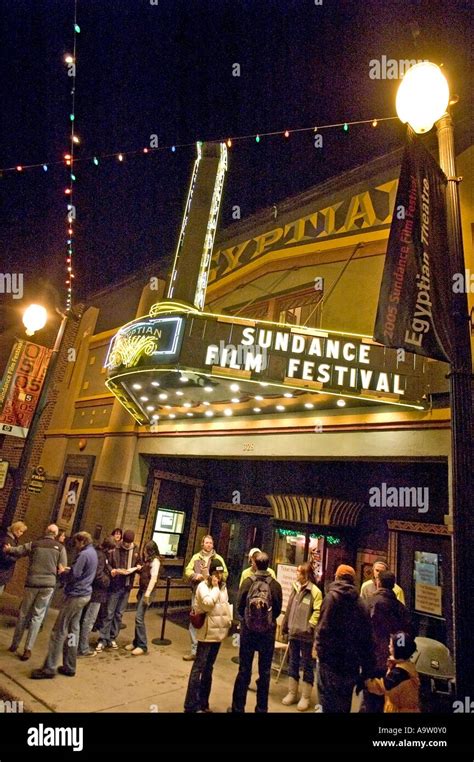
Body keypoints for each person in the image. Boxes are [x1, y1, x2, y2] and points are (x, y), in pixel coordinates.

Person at [31, 531, 98, 679]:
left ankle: (49, 668)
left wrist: (63, 572)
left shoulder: (84, 555)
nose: (75, 546)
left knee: (59, 631)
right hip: (85, 595)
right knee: (73, 630)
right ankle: (70, 665)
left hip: (75, 595)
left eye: (76, 543)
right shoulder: (93, 553)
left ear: (82, 541)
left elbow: (75, 574)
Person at [315, 564, 375, 713]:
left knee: (326, 702)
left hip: (330, 662)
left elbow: (323, 629)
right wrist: (365, 667)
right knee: (343, 703)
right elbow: (367, 638)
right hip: (350, 664)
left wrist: (320, 652)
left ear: (337, 577)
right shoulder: (361, 603)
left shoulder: (331, 598)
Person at [228, 551, 283, 713]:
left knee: (244, 669)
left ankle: (238, 708)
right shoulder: (275, 585)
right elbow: (278, 610)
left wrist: (248, 620)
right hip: (267, 635)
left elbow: (239, 607)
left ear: (254, 564)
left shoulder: (247, 582)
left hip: (248, 633)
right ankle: (261, 708)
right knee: (265, 673)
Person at [6, 524, 67, 661]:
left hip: (32, 583)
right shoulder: (60, 548)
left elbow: (19, 550)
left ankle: (14, 644)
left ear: (46, 531)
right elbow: (62, 568)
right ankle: (28, 649)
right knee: (37, 616)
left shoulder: (35, 544)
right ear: (56, 534)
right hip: (48, 585)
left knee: (23, 614)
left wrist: (9, 549)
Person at [360, 570, 413, 713]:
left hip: (371, 658)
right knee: (386, 697)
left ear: (378, 582)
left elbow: (360, 630)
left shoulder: (368, 603)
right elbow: (408, 634)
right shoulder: (400, 608)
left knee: (369, 697)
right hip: (392, 661)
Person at [183, 557, 232, 713]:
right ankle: (191, 705)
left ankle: (204, 703)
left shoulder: (223, 588)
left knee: (209, 668)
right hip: (206, 632)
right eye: (216, 573)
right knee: (199, 666)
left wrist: (228, 622)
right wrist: (216, 588)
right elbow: (208, 603)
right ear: (210, 574)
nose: (219, 576)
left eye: (221, 573)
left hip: (218, 634)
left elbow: (224, 607)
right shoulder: (203, 587)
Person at [281, 561, 322, 711]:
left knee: (307, 664)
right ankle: (292, 692)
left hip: (306, 635)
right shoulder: (295, 587)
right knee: (293, 662)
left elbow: (318, 611)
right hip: (293, 632)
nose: (296, 574)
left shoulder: (315, 591)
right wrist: (285, 626)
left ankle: (305, 696)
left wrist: (310, 626)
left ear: (306, 574)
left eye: (299, 572)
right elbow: (289, 607)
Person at [183, 535, 228, 661]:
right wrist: (194, 575)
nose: (208, 545)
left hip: (212, 592)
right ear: (202, 544)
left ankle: (208, 650)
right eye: (206, 542)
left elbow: (225, 574)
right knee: (196, 619)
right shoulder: (196, 558)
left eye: (210, 543)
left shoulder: (218, 559)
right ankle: (194, 649)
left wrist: (215, 578)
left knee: (212, 620)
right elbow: (187, 570)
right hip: (198, 591)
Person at [95, 529, 141, 651]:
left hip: (127, 586)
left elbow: (138, 563)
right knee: (109, 612)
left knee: (119, 614)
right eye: (125, 542)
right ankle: (102, 639)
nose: (126, 545)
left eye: (128, 543)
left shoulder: (135, 549)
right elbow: (108, 563)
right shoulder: (116, 547)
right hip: (115, 585)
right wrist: (112, 570)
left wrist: (138, 567)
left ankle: (112, 637)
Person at [365, 631, 420, 712]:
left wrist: (366, 683)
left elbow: (382, 686)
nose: (388, 646)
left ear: (397, 650)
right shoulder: (402, 665)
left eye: (391, 645)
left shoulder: (400, 672)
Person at [78, 537, 115, 657]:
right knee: (89, 620)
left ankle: (78, 644)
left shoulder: (98, 553)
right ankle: (83, 647)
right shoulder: (101, 556)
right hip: (96, 592)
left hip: (92, 591)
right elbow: (98, 574)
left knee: (85, 619)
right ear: (108, 548)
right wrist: (107, 580)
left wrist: (109, 570)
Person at [125, 540, 160, 655]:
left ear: (150, 551)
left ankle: (142, 645)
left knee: (139, 617)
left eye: (146, 550)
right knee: (138, 617)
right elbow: (146, 573)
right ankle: (136, 642)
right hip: (142, 590)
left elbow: (153, 579)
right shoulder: (148, 561)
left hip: (147, 592)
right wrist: (140, 569)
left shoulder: (155, 562)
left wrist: (147, 594)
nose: (144, 552)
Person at [0, 521, 28, 595]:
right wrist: (16, 556)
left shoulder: (11, 540)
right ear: (15, 529)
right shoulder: (8, 540)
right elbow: (4, 557)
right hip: (2, 571)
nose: (21, 534)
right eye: (20, 531)